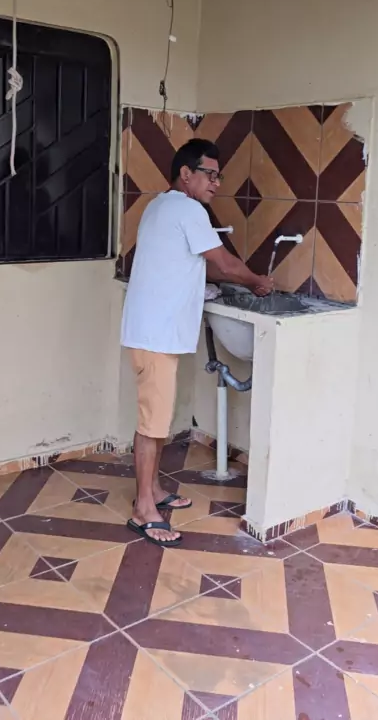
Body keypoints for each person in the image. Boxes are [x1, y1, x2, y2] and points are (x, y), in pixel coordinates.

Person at [121, 138, 273, 547]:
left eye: (219, 176)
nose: (216, 183)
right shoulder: (189, 210)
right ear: (186, 174)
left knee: (156, 419)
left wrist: (225, 281)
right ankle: (143, 509)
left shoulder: (159, 206)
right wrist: (257, 281)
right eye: (210, 174)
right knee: (152, 423)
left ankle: (153, 491)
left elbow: (191, 265)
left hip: (151, 330)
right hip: (155, 334)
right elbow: (223, 263)